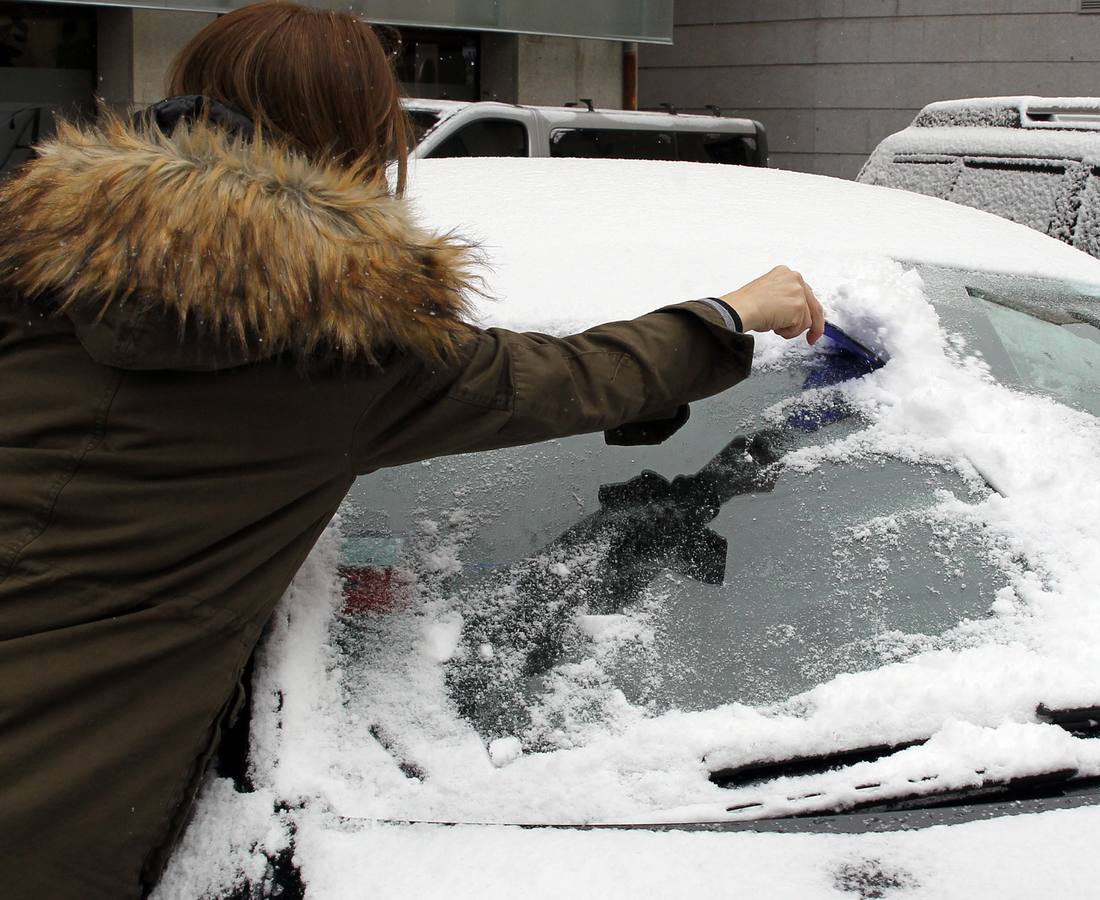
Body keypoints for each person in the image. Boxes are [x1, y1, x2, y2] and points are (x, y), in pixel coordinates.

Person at [0, 3, 823, 896]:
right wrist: (728, 316)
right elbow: (563, 377)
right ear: (360, 147)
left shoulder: (29, 265)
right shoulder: (331, 354)